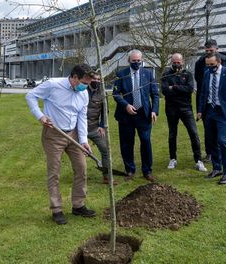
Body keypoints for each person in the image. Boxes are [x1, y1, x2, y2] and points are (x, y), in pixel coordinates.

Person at [25, 63, 96, 225]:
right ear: (74, 77)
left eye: (88, 84)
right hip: (54, 134)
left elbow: (82, 117)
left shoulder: (84, 94)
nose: (86, 86)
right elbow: (30, 96)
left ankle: (78, 205)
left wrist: (83, 141)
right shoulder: (53, 85)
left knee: (81, 168)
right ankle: (56, 209)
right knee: (54, 172)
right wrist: (40, 116)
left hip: (74, 135)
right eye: (84, 83)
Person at [113, 49, 159, 182]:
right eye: (134, 61)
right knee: (127, 143)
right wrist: (126, 105)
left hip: (144, 115)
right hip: (126, 115)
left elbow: (155, 94)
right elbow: (115, 94)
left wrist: (154, 110)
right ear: (129, 61)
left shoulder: (148, 74)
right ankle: (130, 170)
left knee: (145, 141)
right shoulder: (121, 74)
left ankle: (147, 170)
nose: (137, 63)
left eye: (139, 61)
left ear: (142, 60)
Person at [197, 53, 226, 185]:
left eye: (212, 65)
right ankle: (217, 168)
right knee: (211, 142)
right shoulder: (206, 74)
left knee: (223, 142)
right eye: (208, 65)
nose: (210, 67)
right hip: (209, 111)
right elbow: (203, 93)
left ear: (219, 62)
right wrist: (200, 110)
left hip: (223, 113)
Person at [161, 53, 207, 172]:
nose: (176, 64)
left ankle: (198, 160)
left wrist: (174, 87)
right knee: (172, 134)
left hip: (186, 108)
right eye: (174, 62)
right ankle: (173, 158)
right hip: (171, 109)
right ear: (171, 62)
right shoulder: (166, 74)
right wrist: (180, 88)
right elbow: (165, 90)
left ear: (182, 62)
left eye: (178, 62)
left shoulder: (187, 74)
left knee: (193, 133)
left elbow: (190, 89)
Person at [194, 39, 226, 163]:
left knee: (223, 134)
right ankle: (210, 154)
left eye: (211, 51)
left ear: (216, 49)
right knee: (209, 132)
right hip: (207, 103)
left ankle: (224, 153)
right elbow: (200, 82)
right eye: (206, 51)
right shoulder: (200, 62)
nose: (208, 53)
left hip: (224, 104)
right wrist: (200, 108)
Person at [86, 71, 114, 184]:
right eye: (94, 79)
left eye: (99, 80)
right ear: (89, 79)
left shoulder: (103, 93)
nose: (96, 81)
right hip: (79, 129)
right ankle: (80, 177)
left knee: (106, 150)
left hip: (94, 128)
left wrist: (102, 126)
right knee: (78, 153)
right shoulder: (82, 90)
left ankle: (107, 177)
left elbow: (105, 111)